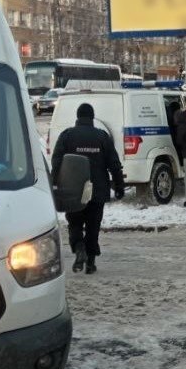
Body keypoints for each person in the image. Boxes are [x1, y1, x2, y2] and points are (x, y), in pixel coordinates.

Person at [51, 102, 126, 274]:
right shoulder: (102, 136)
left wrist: (54, 183)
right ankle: (91, 263)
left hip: (73, 189)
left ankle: (79, 249)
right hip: (97, 189)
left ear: (78, 117)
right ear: (92, 118)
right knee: (93, 225)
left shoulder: (67, 135)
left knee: (75, 223)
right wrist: (119, 185)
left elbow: (56, 162)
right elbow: (114, 163)